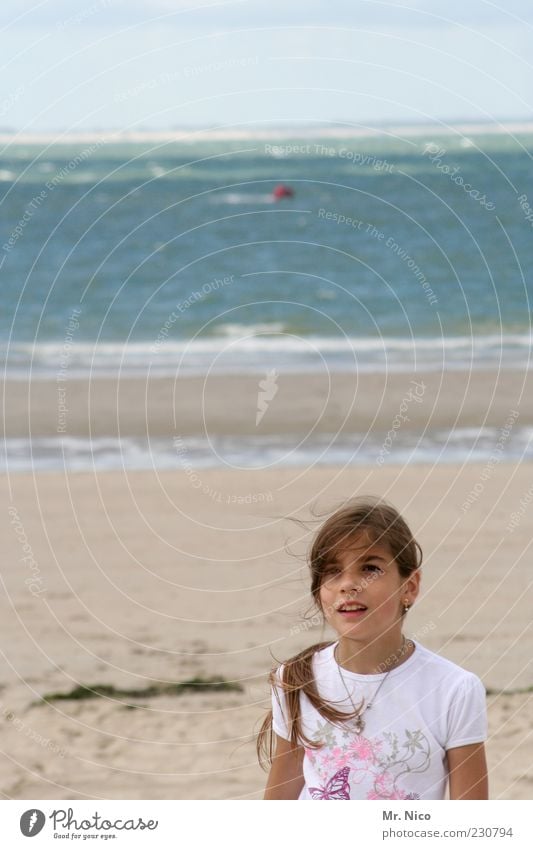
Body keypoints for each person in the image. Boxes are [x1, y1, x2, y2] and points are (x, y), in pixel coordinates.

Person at [257, 496, 488, 800]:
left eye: (370, 568)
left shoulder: (453, 690)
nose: (348, 584)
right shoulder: (296, 680)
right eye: (332, 571)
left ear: (410, 587)